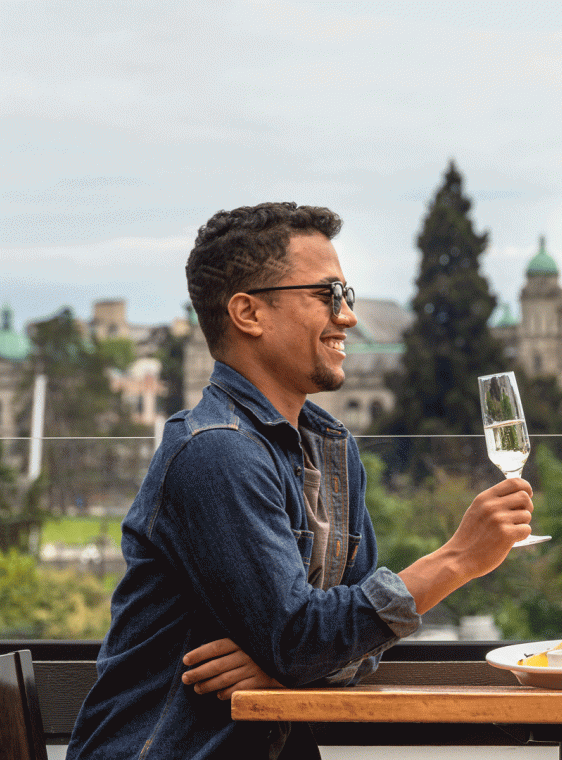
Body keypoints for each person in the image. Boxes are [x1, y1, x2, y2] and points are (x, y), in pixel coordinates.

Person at [66, 202, 536, 759]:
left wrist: (286, 659)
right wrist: (456, 559)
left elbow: (350, 641)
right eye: (327, 295)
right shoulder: (217, 452)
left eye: (347, 297)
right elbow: (308, 639)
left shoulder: (328, 448)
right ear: (248, 313)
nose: (348, 317)